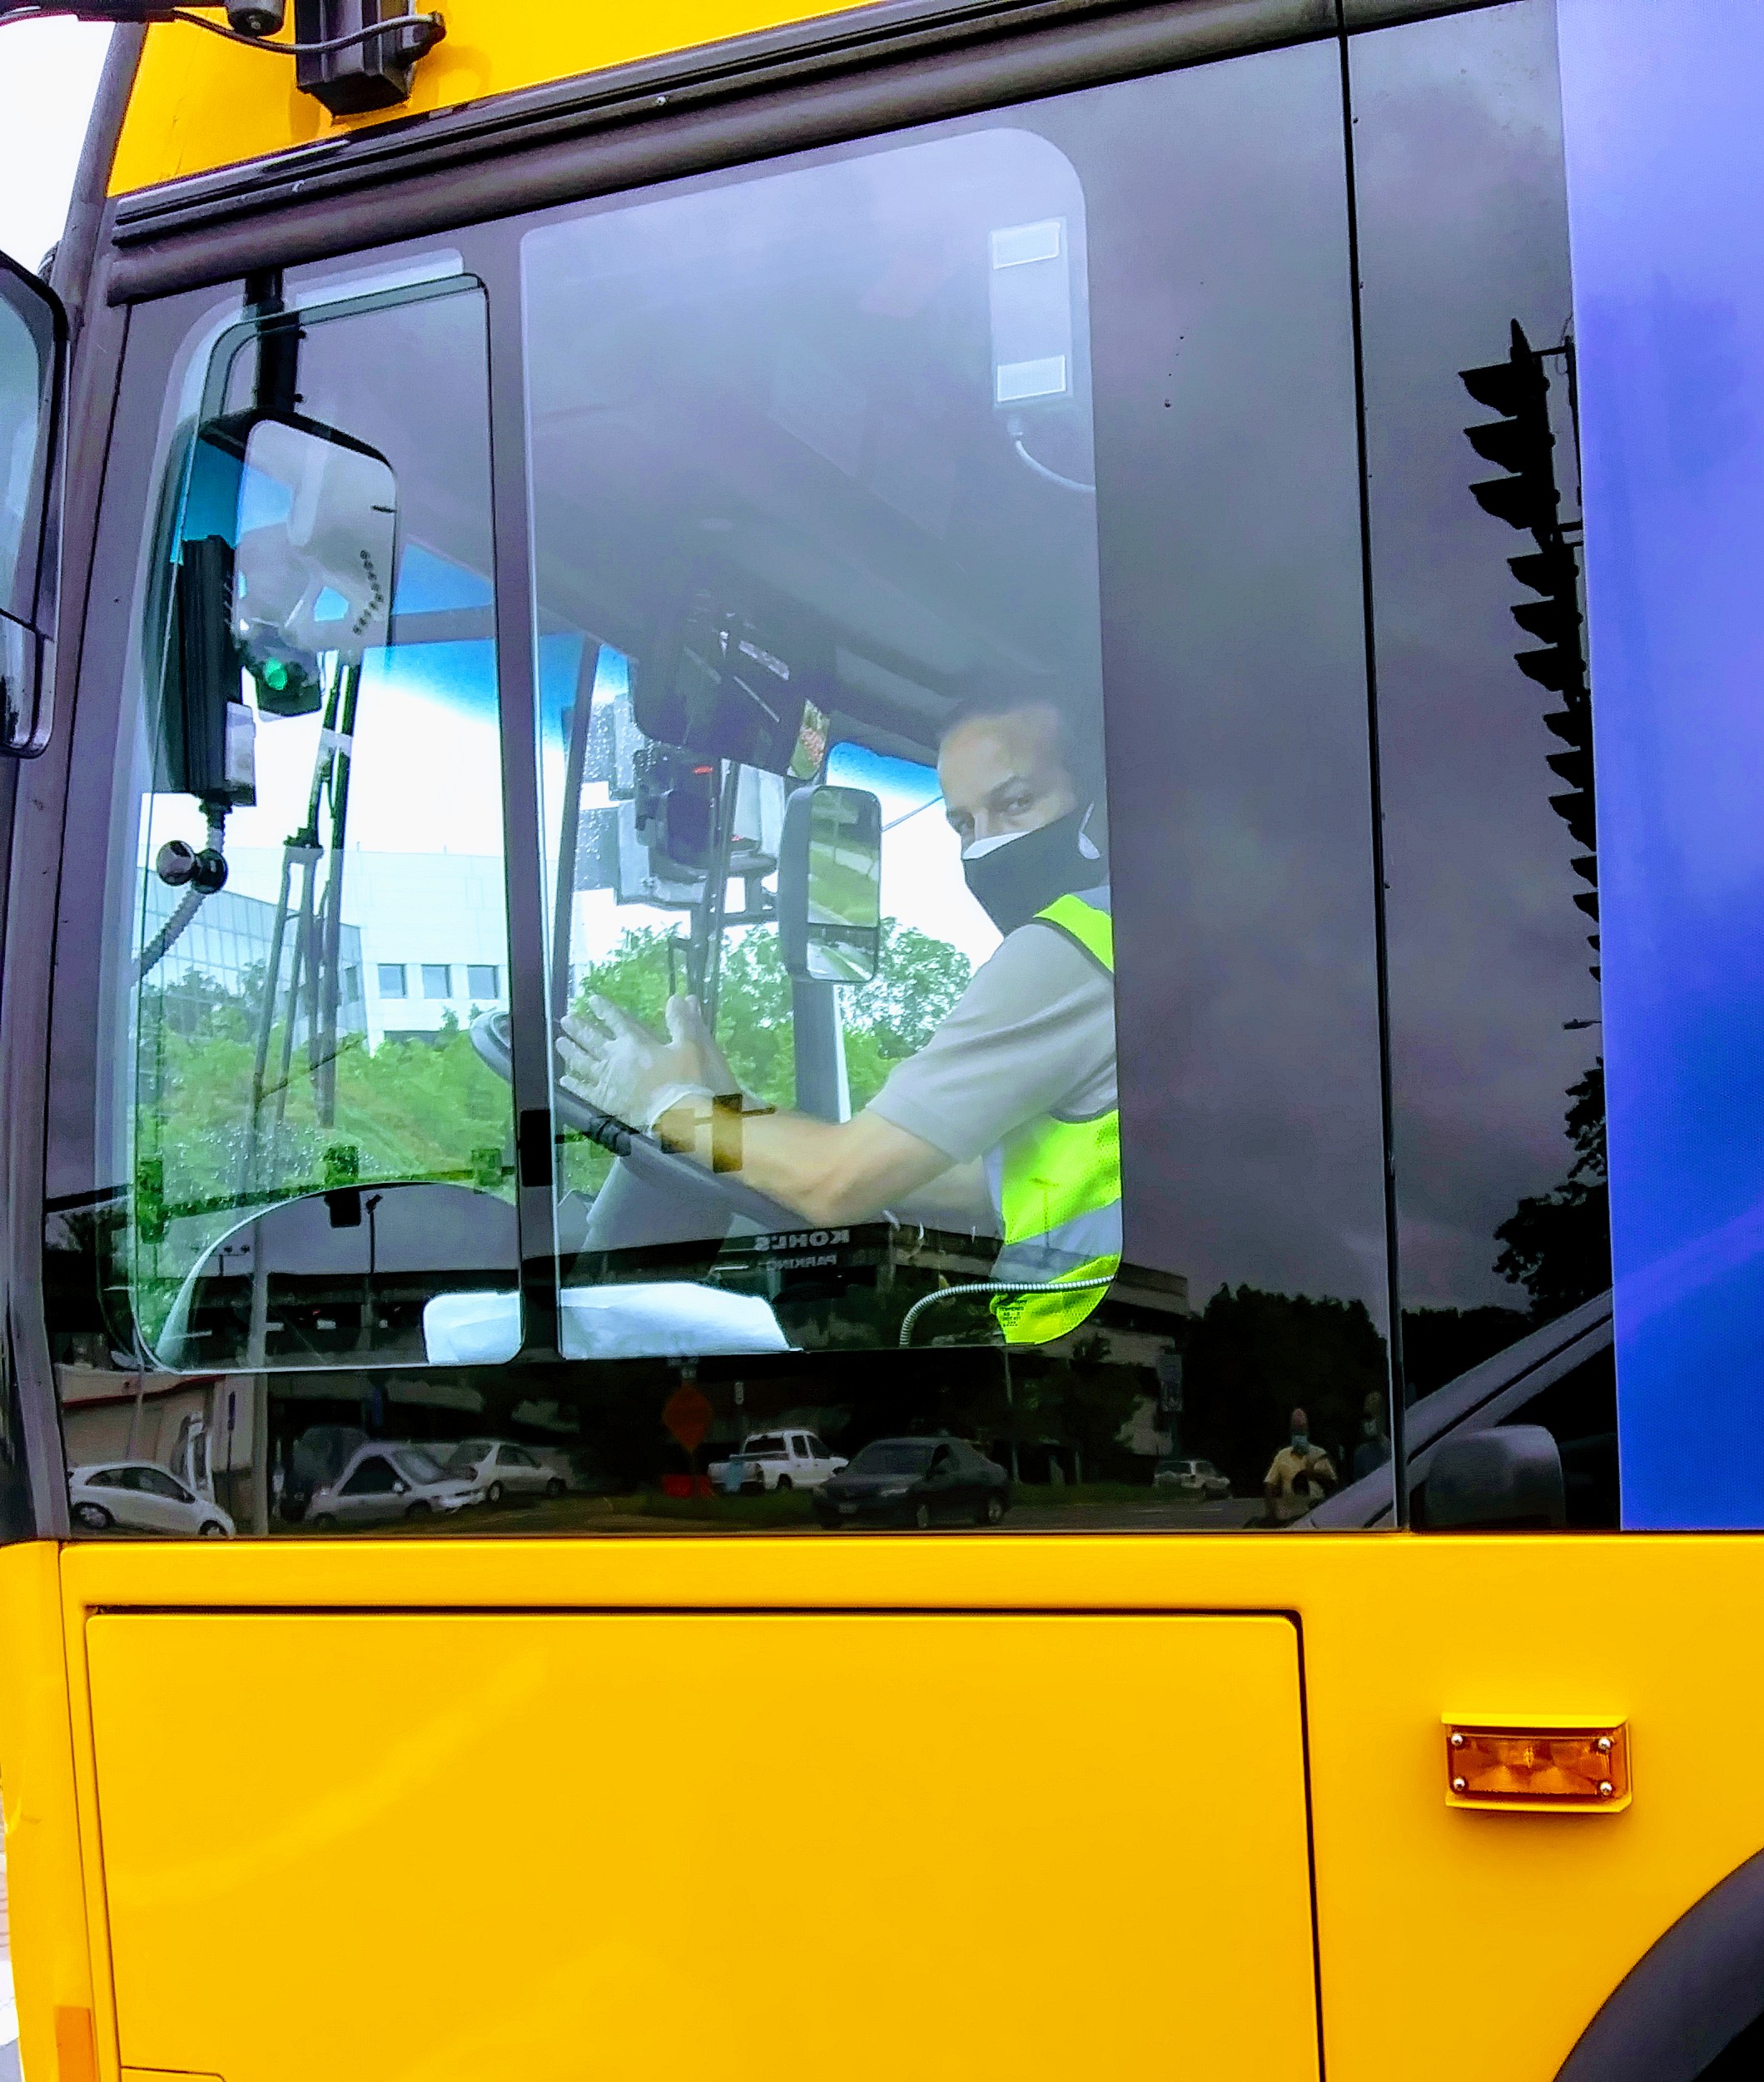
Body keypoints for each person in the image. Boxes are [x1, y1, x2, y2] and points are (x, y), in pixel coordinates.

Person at [558, 694, 1118, 1343]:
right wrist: (732, 1110)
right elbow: (977, 1180)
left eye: (1017, 803)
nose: (985, 849)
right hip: (1112, 1346)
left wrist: (663, 1106)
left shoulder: (1069, 948)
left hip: (1078, 1360)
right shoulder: (1143, 940)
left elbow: (836, 1184)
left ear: (1100, 805)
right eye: (964, 824)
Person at [1262, 1407, 1338, 1526]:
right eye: (1296, 1433)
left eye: (1301, 1433)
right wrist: (1272, 1514)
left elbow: (1332, 1483)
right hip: (1291, 1517)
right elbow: (1269, 1485)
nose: (1299, 1437)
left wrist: (1313, 1474)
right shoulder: (1282, 1455)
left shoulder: (1319, 1454)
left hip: (1317, 1515)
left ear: (1307, 1433)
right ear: (1291, 1434)